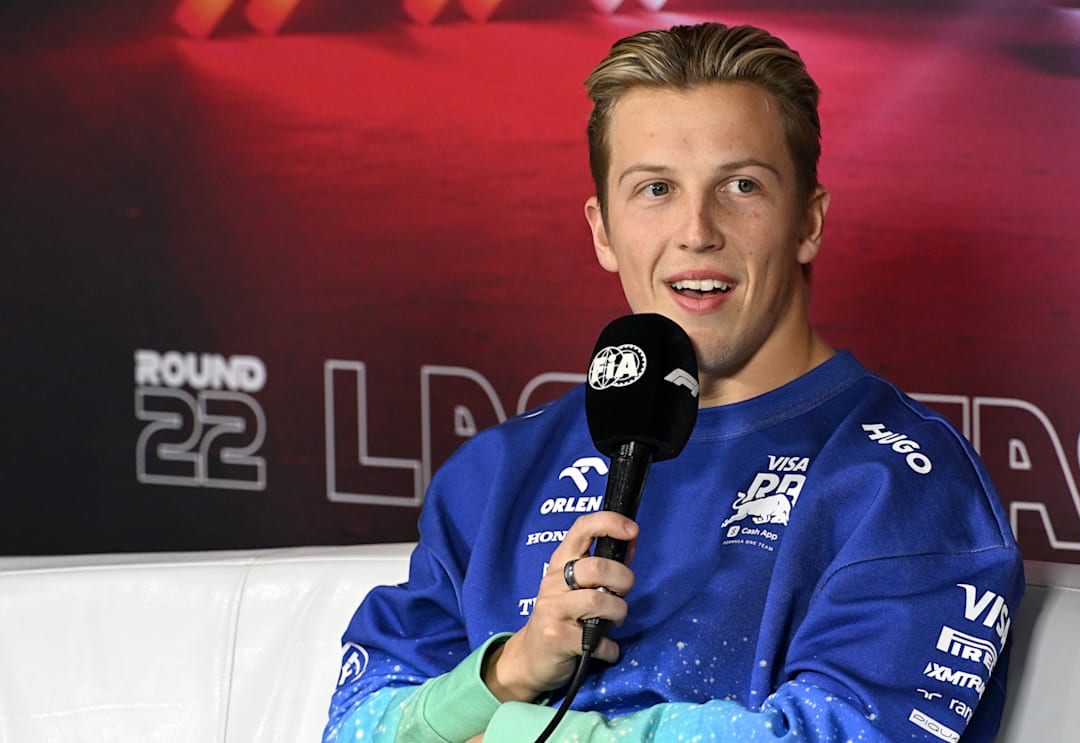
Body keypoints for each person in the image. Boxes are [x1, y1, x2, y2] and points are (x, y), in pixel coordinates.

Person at [324, 22, 1023, 743]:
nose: (697, 230)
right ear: (603, 231)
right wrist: (508, 669)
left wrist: (521, 736)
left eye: (741, 185)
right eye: (656, 188)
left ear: (808, 221)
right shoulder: (497, 472)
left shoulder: (903, 484)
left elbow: (846, 733)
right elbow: (353, 726)